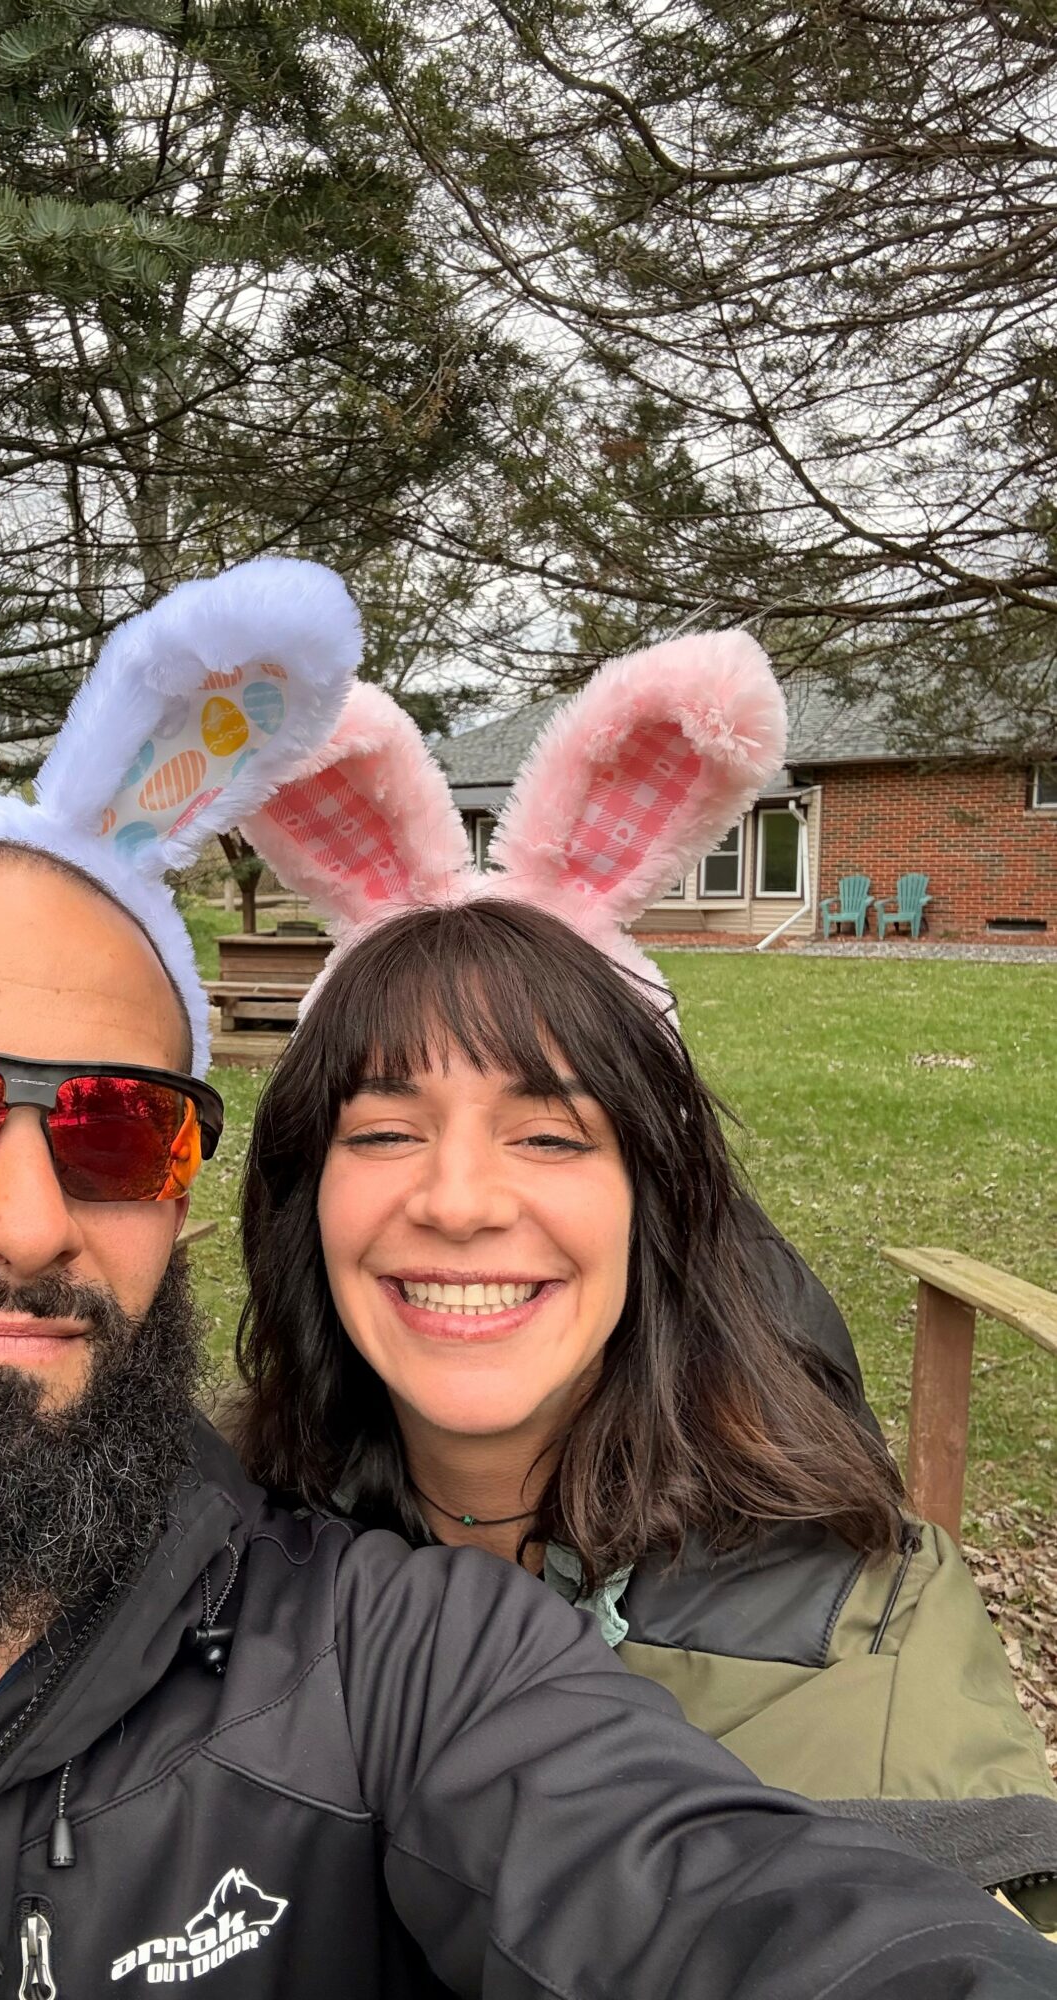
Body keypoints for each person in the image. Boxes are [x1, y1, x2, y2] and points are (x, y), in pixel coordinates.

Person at [0, 369, 1053, 2000]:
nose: (22, 1216)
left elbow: (761, 1913)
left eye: (118, 1128)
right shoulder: (299, 1517)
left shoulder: (390, 1649)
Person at [233, 672, 1057, 1933]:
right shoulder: (203, 1561)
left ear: (657, 1198)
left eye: (553, 1135)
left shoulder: (857, 1637)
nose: (459, 1200)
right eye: (387, 1128)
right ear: (306, 1199)